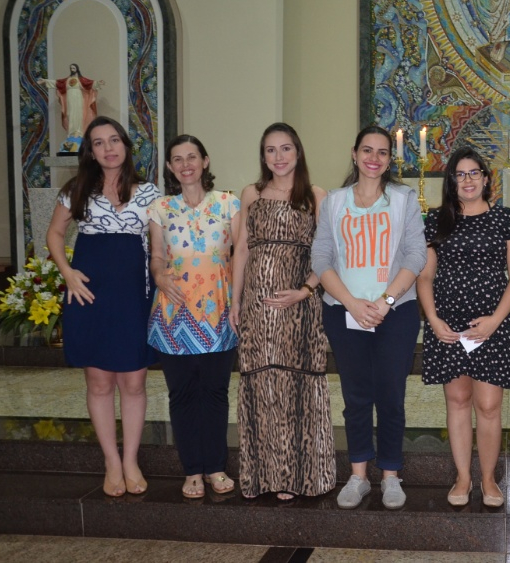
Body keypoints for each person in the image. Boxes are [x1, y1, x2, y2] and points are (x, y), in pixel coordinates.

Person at [312, 125, 427, 510]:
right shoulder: (334, 201)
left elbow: (416, 255)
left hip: (396, 313)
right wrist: (351, 303)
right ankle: (359, 475)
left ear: (389, 159)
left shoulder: (403, 199)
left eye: (381, 152)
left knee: (391, 395)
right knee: (356, 396)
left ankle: (391, 474)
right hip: (344, 312)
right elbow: (321, 258)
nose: (374, 158)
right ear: (355, 153)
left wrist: (386, 300)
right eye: (367, 150)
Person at [45, 116, 160, 497]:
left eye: (114, 140)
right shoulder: (77, 189)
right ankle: (111, 461)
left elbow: (162, 245)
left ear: (126, 146)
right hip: (89, 294)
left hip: (132, 295)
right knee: (98, 381)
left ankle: (131, 459)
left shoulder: (148, 193)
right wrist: (68, 274)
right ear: (90, 151)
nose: (108, 148)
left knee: (133, 381)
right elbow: (55, 233)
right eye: (98, 142)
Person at [230, 122, 334, 501]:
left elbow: (326, 255)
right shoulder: (251, 194)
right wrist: (235, 300)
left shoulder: (316, 195)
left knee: (293, 386)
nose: (279, 157)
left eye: (286, 148)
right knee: (262, 386)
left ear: (298, 152)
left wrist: (305, 290)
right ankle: (266, 475)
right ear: (263, 156)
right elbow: (241, 249)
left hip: (299, 309)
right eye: (271, 150)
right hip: (258, 307)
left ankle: (297, 476)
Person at [416, 147, 510, 508]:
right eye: (459, 174)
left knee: (489, 405)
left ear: (486, 178)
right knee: (458, 400)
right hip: (448, 321)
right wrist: (433, 319)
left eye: (474, 173)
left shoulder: (506, 218)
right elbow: (426, 275)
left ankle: (488, 477)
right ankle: (463, 476)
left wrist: (495, 320)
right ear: (451, 181)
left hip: (491, 324)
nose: (467, 180)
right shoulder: (436, 220)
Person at [147, 135, 240, 499]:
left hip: (217, 312)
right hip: (174, 315)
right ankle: (192, 471)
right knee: (183, 394)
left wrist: (240, 301)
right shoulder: (161, 208)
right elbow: (156, 256)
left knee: (215, 392)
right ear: (170, 167)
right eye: (177, 159)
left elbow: (240, 255)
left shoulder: (228, 204)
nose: (185, 164)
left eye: (192, 157)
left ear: (205, 160)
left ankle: (216, 466)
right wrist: (158, 275)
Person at [37, 63, 101, 154]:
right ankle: (71, 134)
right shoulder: (67, 80)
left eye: (74, 67)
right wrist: (45, 81)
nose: (72, 69)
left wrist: (98, 83)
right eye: (71, 68)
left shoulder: (81, 80)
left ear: (77, 69)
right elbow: (57, 83)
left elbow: (90, 83)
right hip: (70, 100)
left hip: (78, 100)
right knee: (70, 115)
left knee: (79, 116)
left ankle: (79, 134)